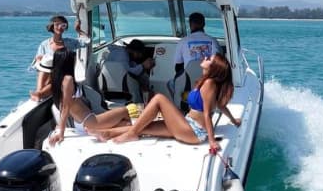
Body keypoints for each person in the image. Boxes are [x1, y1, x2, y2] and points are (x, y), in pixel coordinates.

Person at [99, 53, 240, 152]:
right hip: (188, 125)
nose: (205, 57)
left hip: (193, 131)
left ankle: (130, 134)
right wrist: (234, 121)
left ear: (214, 67)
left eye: (209, 58)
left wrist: (211, 141)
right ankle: (107, 133)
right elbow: (221, 106)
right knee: (147, 127)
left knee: (159, 99)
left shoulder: (209, 83)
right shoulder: (208, 82)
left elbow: (208, 114)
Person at [49, 49, 132, 145]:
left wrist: (59, 126)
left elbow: (62, 105)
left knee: (126, 124)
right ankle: (138, 130)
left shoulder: (56, 79)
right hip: (90, 121)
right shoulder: (68, 79)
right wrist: (61, 132)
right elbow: (65, 107)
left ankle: (110, 133)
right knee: (125, 110)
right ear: (68, 62)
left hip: (82, 122)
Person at [31, 14, 86, 101]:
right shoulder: (44, 45)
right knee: (43, 70)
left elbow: (87, 42)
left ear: (65, 27)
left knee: (58, 78)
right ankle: (39, 92)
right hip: (48, 75)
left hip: (63, 76)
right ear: (52, 26)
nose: (60, 27)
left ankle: (39, 94)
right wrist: (39, 60)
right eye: (57, 24)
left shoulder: (69, 43)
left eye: (63, 25)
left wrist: (78, 30)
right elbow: (36, 65)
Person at [174, 12, 220, 78]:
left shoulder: (182, 41)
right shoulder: (213, 41)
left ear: (190, 25)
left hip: (189, 82)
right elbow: (218, 64)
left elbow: (178, 67)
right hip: (208, 81)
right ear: (204, 24)